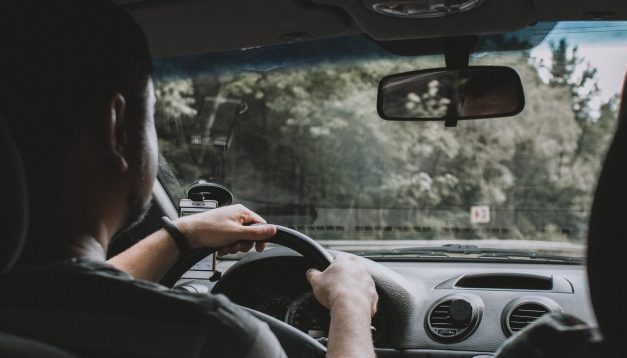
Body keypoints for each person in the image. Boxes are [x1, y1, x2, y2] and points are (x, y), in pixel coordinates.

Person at [0, 1, 377, 357]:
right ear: (115, 130)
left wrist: (181, 236)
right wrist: (351, 306)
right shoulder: (209, 337)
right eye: (151, 118)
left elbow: (67, 297)